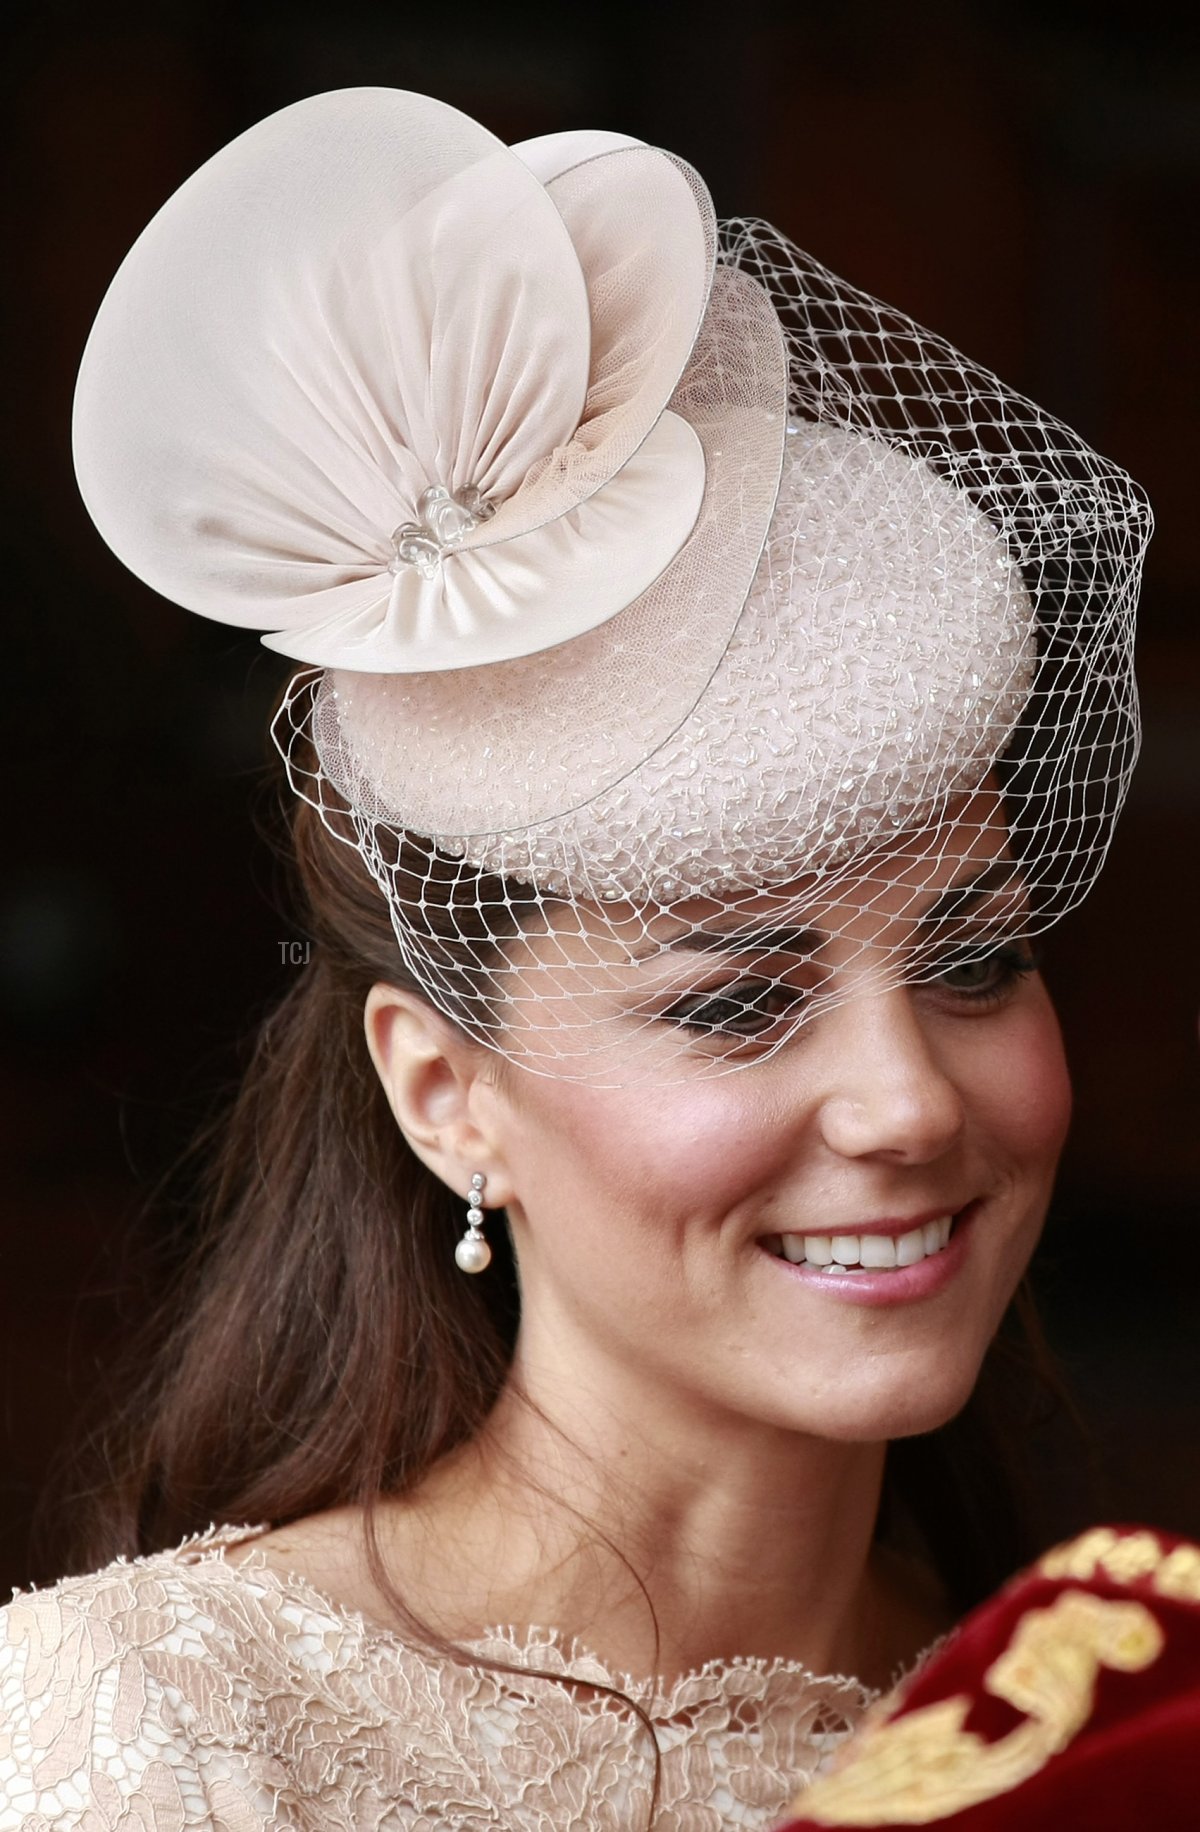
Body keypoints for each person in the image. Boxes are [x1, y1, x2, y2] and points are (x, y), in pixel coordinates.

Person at [0, 88, 1150, 1830]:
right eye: (740, 1003)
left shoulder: (1088, 1741)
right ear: (447, 1096)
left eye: (978, 961)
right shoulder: (177, 1734)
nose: (908, 1100)